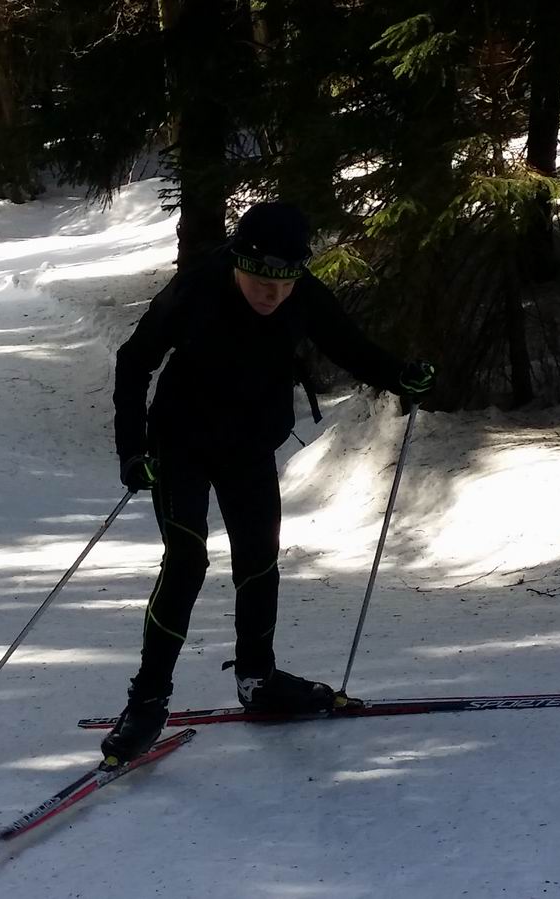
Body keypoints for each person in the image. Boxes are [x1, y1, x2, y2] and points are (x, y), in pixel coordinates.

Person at [102, 201, 435, 763]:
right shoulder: (196, 288)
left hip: (250, 445)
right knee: (186, 561)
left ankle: (258, 679)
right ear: (239, 262)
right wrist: (132, 450)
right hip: (180, 442)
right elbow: (135, 362)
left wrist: (399, 375)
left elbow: (349, 346)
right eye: (261, 280)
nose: (272, 294)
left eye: (284, 283)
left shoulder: (303, 294)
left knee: (259, 560)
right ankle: (147, 701)